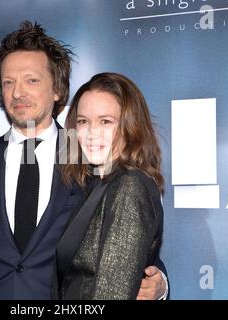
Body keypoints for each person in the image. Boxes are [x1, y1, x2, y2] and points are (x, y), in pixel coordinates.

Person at [0, 21, 167, 300]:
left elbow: (126, 236)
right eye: (9, 82)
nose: (18, 92)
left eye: (31, 80)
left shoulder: (88, 153)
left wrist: (159, 282)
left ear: (58, 89)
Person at [54, 72, 165, 299]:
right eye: (83, 121)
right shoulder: (97, 183)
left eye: (106, 121)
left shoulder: (129, 186)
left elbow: (111, 293)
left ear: (130, 126)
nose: (92, 133)